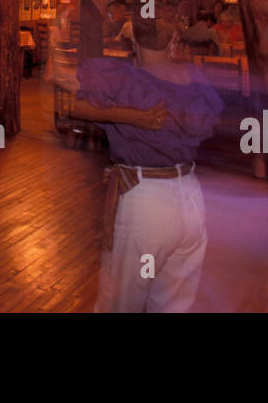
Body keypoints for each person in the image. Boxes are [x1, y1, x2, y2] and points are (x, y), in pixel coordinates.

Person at [70, 19, 224, 312]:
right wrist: (138, 119)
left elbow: (76, 107)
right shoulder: (194, 76)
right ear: (173, 41)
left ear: (132, 41)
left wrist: (130, 117)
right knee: (173, 304)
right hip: (191, 198)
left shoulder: (126, 80)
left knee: (121, 303)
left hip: (147, 204)